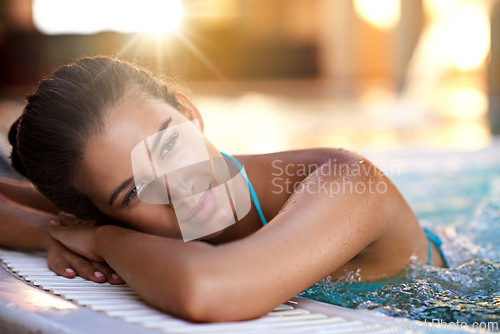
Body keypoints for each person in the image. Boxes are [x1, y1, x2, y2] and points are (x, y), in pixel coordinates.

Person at [0, 57, 447, 322]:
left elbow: (209, 290)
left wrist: (100, 239)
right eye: (134, 192)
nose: (180, 187)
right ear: (98, 209)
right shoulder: (115, 214)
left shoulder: (346, 183)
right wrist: (49, 234)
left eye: (170, 143)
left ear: (190, 113)